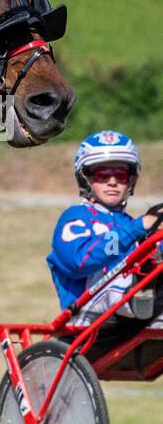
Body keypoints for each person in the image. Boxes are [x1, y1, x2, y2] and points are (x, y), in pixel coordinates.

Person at [47, 130, 162, 328]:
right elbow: (79, 261)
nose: (112, 181)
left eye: (121, 174)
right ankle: (139, 297)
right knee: (122, 280)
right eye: (102, 174)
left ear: (131, 180)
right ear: (86, 178)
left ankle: (145, 302)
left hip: (133, 320)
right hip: (85, 320)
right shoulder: (76, 217)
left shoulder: (134, 225)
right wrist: (138, 227)